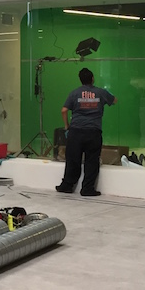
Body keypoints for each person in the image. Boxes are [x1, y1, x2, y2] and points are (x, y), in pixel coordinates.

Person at [56, 67, 117, 197]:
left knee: (73, 159)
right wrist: (108, 95)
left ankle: (67, 186)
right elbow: (114, 101)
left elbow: (64, 110)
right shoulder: (100, 92)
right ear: (92, 78)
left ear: (80, 80)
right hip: (93, 131)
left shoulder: (74, 93)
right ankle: (87, 189)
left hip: (76, 131)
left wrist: (67, 126)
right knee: (92, 161)